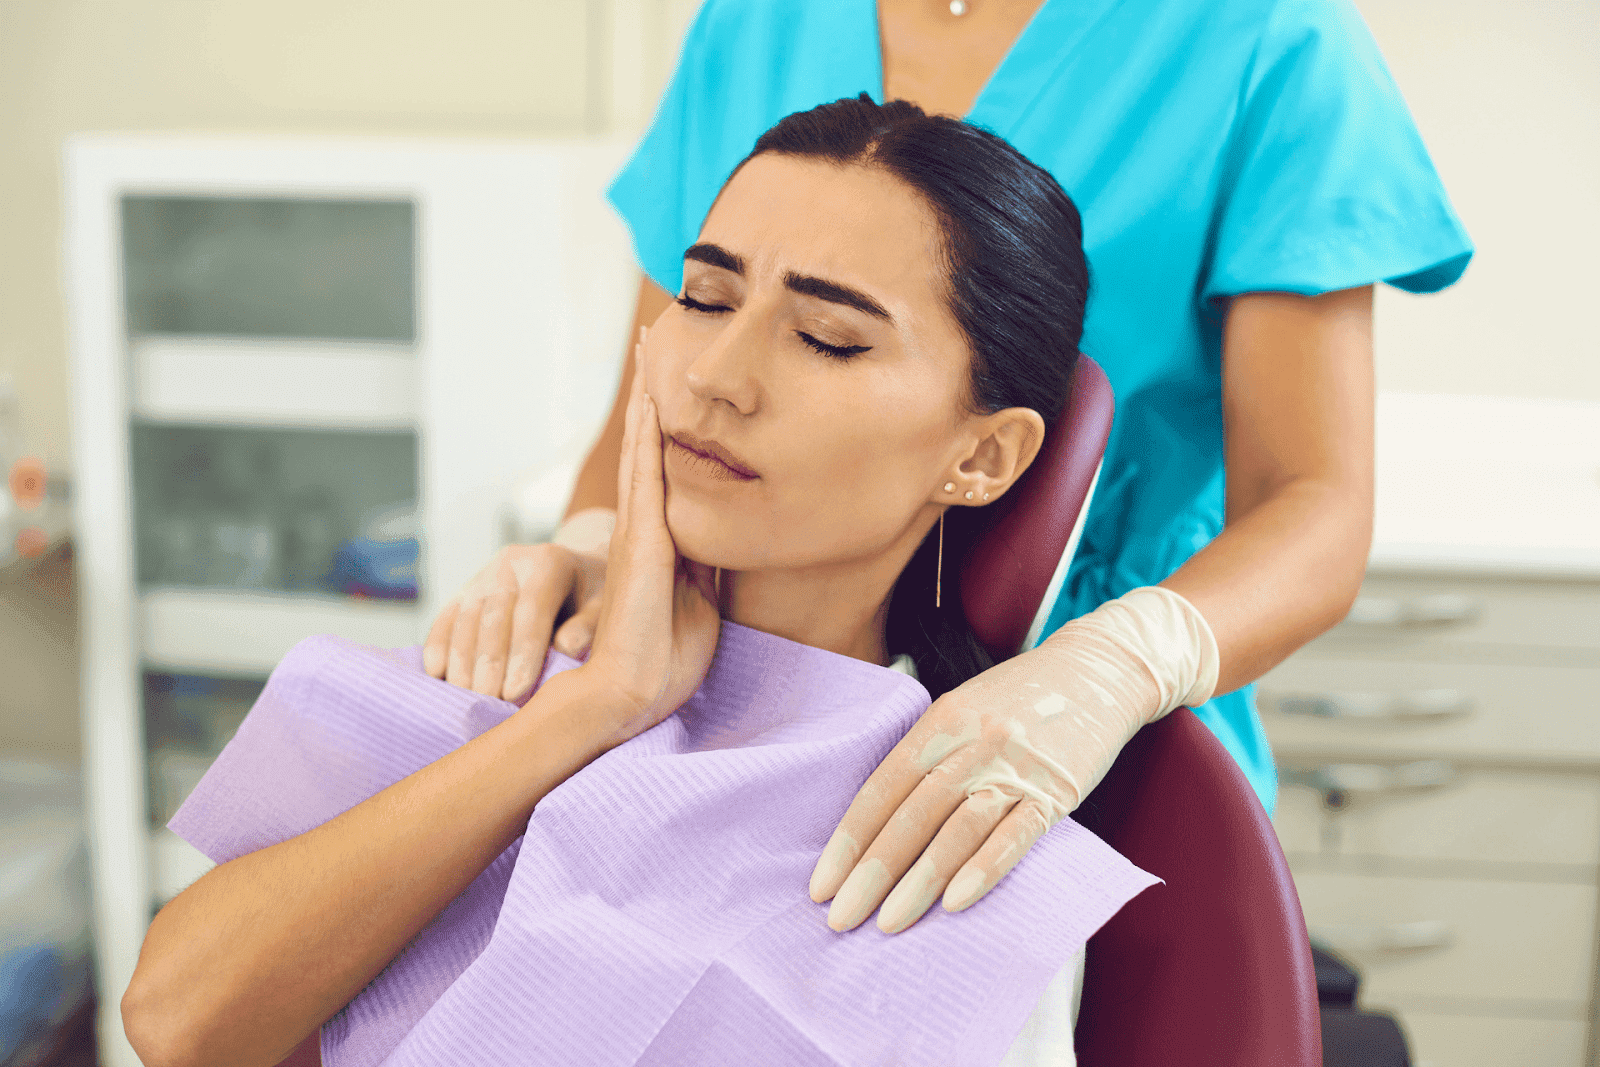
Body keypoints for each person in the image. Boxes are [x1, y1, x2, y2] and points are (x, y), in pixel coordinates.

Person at [125, 97, 1166, 1067]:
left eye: (825, 337)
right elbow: (179, 1017)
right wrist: (589, 709)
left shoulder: (960, 843)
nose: (715, 373)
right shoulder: (519, 647)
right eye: (705, 297)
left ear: (981, 458)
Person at [424, 0, 1473, 934]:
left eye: (831, 339)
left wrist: (1106, 670)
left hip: (1072, 754)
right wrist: (587, 549)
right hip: (706, 699)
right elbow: (651, 408)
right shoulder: (753, 21)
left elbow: (1315, 502)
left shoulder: (1268, 40)